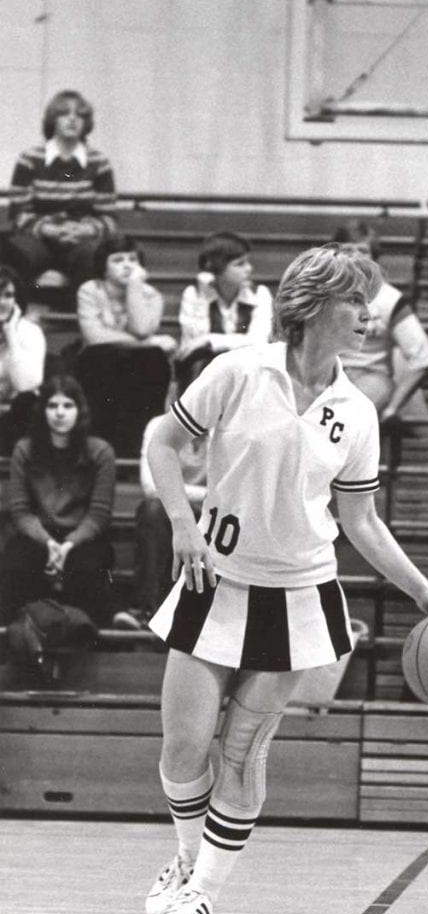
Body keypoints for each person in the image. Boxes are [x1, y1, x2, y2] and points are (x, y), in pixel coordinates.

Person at [144, 243, 428, 914]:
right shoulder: (238, 371)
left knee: (241, 752)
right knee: (183, 747)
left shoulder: (358, 413)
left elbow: (360, 520)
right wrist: (183, 521)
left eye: (370, 302)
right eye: (356, 301)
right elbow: (159, 440)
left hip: (297, 594)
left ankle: (204, 893)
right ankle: (185, 863)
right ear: (313, 304)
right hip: (215, 580)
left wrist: (426, 594)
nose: (368, 315)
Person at [0, 375, 115, 627]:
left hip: (83, 535)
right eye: (52, 406)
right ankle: (18, 642)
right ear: (43, 411)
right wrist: (49, 543)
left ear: (79, 410)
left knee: (88, 570)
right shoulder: (25, 450)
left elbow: (98, 515)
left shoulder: (100, 452)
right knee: (15, 566)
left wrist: (68, 545)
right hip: (37, 534)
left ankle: (90, 648)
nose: (60, 413)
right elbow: (20, 512)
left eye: (67, 406)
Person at [113, 367, 208, 631]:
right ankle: (147, 609)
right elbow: (151, 487)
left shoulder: (229, 429)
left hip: (210, 516)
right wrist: (200, 495)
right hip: (172, 513)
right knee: (153, 511)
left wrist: (185, 493)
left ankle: (194, 616)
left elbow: (229, 492)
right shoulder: (160, 425)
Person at [74, 233, 175, 456]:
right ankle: (99, 451)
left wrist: (134, 288)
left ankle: (135, 450)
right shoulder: (90, 290)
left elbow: (141, 328)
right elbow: (94, 338)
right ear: (104, 265)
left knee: (153, 360)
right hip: (98, 362)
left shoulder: (151, 295)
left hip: (135, 365)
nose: (127, 266)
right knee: (102, 358)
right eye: (118, 260)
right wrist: (148, 342)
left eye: (132, 260)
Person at [5, 90, 117, 289]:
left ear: (86, 123)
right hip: (38, 239)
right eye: (64, 114)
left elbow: (108, 218)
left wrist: (85, 229)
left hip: (81, 242)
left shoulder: (99, 162)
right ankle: (27, 313)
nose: (72, 119)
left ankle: (82, 312)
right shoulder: (30, 159)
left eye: (80, 115)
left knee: (95, 256)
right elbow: (17, 213)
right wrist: (49, 229)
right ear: (52, 120)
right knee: (15, 252)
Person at [333, 221, 428, 431]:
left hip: (371, 377)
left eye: (362, 251)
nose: (355, 258)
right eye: (347, 251)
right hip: (326, 375)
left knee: (347, 414)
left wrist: (393, 407)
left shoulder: (390, 299)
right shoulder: (319, 295)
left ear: (374, 258)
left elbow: (423, 359)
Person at [176, 231, 273, 382]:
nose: (249, 269)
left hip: (246, 368)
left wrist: (211, 340)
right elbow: (193, 342)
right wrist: (203, 297)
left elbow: (259, 342)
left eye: (247, 262)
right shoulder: (194, 294)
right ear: (217, 267)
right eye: (240, 264)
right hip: (206, 369)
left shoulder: (259, 294)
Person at [0, 265, 46, 455]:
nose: (2, 302)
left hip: (12, 418)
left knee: (29, 402)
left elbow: (26, 386)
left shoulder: (29, 332)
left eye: (8, 295)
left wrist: (11, 334)